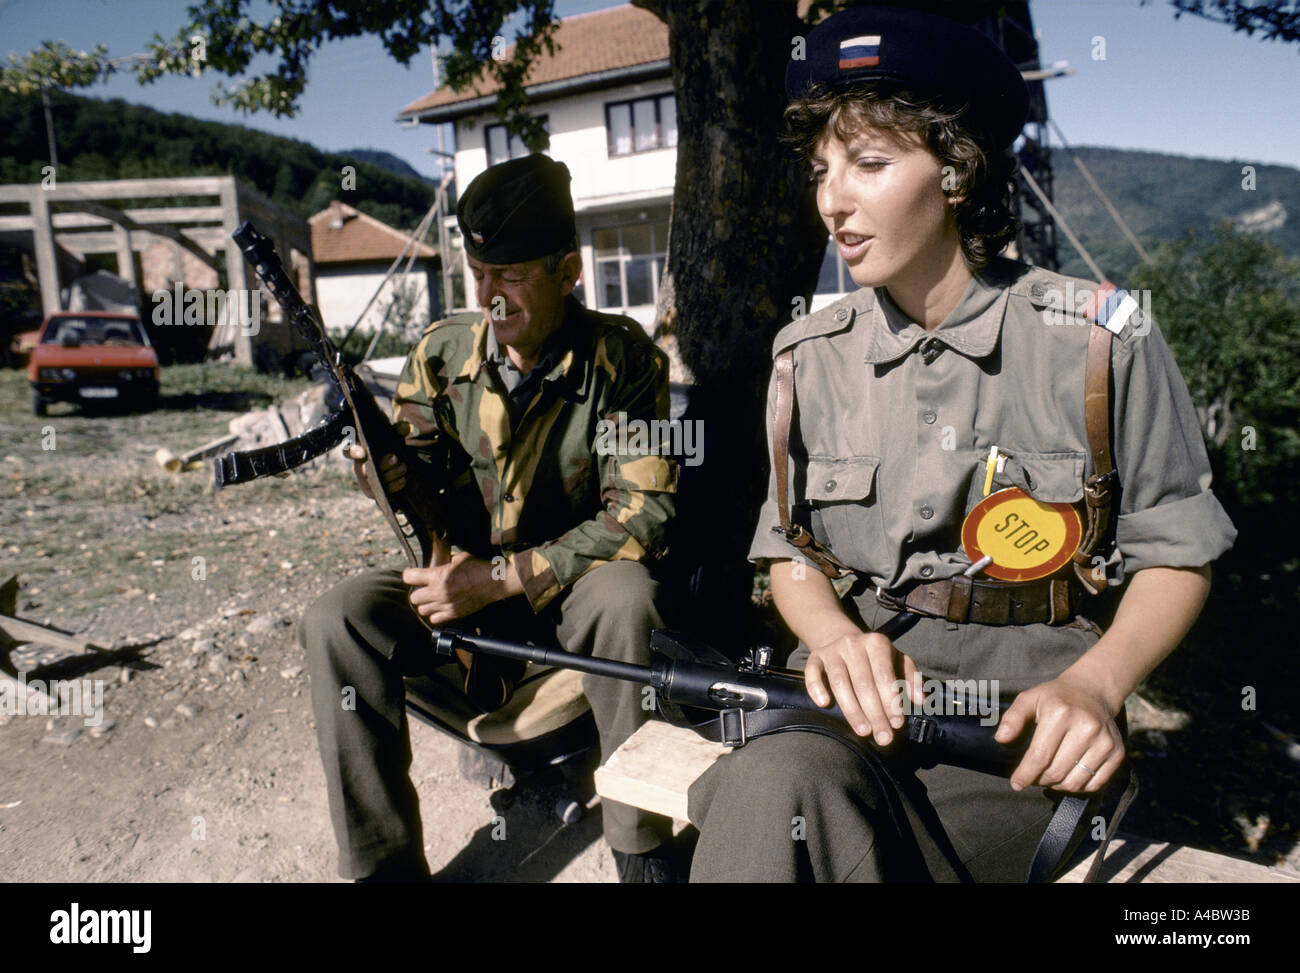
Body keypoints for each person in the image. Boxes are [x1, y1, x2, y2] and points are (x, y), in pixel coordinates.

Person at [685, 5, 1237, 882]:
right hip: (844, 714)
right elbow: (789, 551)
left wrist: (1097, 686)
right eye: (823, 168)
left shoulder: (1097, 339)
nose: (832, 199)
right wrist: (828, 634)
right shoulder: (807, 358)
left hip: (1022, 727)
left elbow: (1178, 553)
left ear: (954, 169)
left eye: (869, 163)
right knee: (774, 786)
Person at [300, 154, 681, 882]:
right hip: (463, 581)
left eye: (510, 274)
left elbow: (643, 514)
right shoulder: (442, 356)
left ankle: (641, 846)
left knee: (629, 593)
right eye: (479, 274)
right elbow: (420, 488)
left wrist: (502, 580)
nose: (491, 296)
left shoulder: (622, 362)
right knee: (336, 618)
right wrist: (379, 468)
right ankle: (382, 868)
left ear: (567, 271)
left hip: (569, 593)